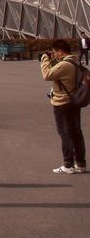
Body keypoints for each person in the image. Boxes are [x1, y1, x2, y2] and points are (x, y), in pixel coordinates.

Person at [40, 38, 87, 174]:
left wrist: (44, 59)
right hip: (73, 100)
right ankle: (80, 163)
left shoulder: (64, 65)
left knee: (65, 133)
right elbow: (58, 70)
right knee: (76, 132)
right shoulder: (75, 60)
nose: (53, 55)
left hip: (62, 102)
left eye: (55, 52)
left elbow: (47, 74)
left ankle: (68, 165)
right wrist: (52, 60)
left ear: (60, 52)